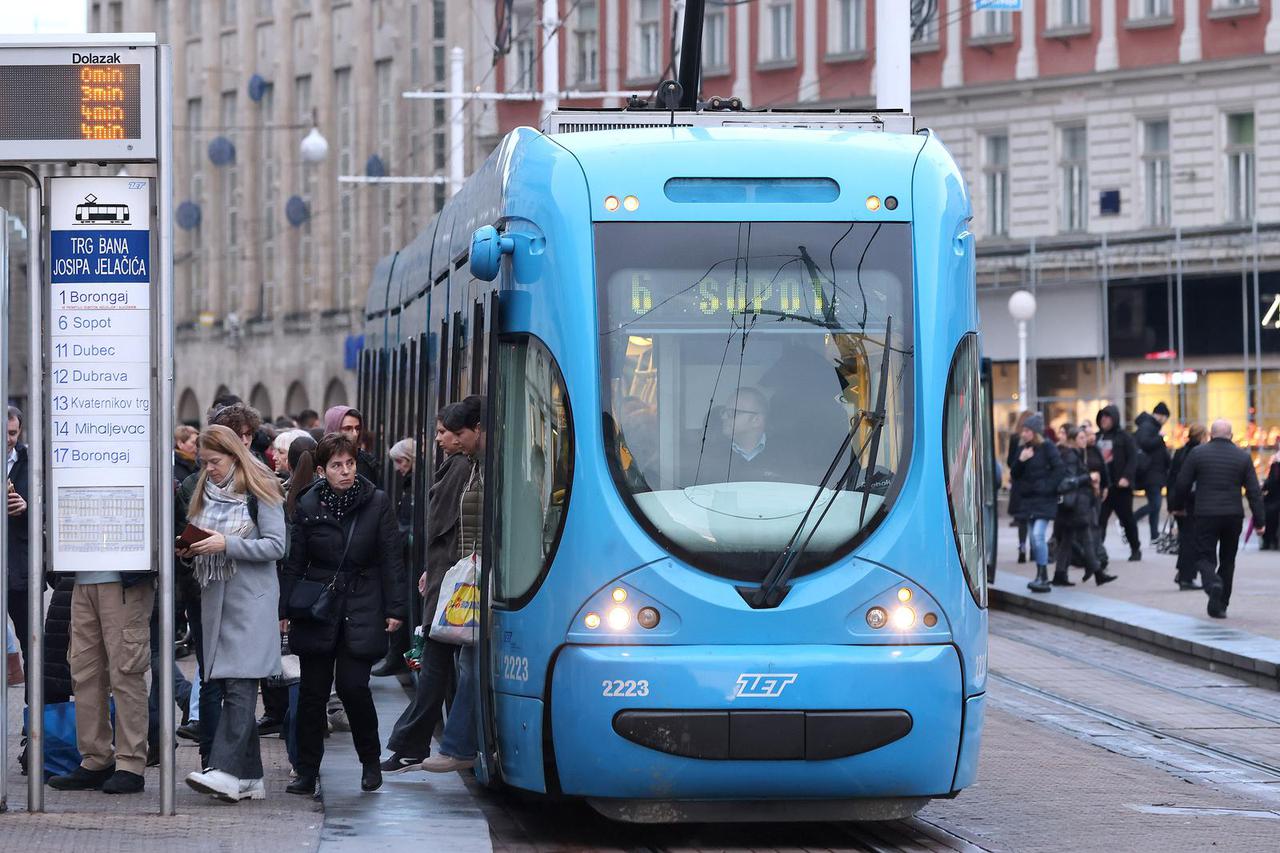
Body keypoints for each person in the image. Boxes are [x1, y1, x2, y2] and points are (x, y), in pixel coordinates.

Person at [283, 433, 406, 797]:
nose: (346, 471)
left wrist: (395, 608)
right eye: (337, 466)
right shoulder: (308, 504)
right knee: (312, 693)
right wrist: (284, 608)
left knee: (354, 688)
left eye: (350, 463)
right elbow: (295, 561)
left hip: (362, 601)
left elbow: (391, 558)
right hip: (319, 607)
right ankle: (306, 770)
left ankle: (370, 761)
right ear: (322, 470)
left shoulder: (377, 502)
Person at [180, 425, 288, 802]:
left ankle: (226, 770)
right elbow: (206, 534)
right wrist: (193, 547)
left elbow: (276, 546)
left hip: (251, 603)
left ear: (233, 456)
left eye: (214, 461)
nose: (208, 469)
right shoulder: (204, 491)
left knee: (241, 687)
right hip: (217, 600)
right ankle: (250, 777)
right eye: (204, 462)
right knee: (230, 684)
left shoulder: (263, 488)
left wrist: (227, 543)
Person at [381, 409, 471, 771]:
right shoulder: (460, 466)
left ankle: (412, 743)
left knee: (435, 667)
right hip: (446, 580)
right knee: (437, 666)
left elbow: (444, 529)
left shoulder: (461, 468)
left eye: (443, 432)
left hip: (452, 584)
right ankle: (414, 742)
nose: (438, 439)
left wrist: (436, 574)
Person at [421, 396, 485, 774]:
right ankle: (458, 745)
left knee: (471, 662)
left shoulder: (485, 465)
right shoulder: (473, 464)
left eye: (458, 433)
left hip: (483, 577)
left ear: (478, 429)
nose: (452, 440)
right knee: (468, 660)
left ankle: (458, 745)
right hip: (470, 576)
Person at [1171, 419, 1264, 619]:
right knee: (1228, 559)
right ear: (1230, 435)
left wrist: (1177, 506)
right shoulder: (1243, 457)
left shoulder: (1198, 454)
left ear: (1211, 435)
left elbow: (1182, 483)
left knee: (1204, 556)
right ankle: (1220, 605)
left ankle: (1213, 583)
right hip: (1233, 515)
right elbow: (1254, 491)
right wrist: (1260, 521)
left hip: (1205, 514)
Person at [373, 438, 417, 679]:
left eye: (401, 462)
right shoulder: (408, 484)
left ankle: (400, 656)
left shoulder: (414, 485)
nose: (399, 468)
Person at [1053, 427, 1117, 587]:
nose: (1085, 440)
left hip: (1073, 504)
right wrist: (1089, 477)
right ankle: (1097, 573)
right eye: (1081, 437)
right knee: (1086, 537)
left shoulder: (1074, 454)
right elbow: (1070, 480)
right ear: (1073, 440)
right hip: (1076, 504)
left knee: (1067, 540)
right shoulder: (1071, 456)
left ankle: (1060, 574)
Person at [1009, 413, 1063, 593]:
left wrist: (1047, 487)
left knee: (1039, 536)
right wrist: (1021, 460)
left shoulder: (1048, 448)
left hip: (1044, 499)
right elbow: (1015, 474)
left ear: (1035, 432)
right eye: (1023, 430)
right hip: (1029, 501)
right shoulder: (1023, 449)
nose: (1023, 434)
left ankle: (1043, 576)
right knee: (1033, 538)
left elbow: (1059, 469)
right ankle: (1041, 575)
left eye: (1026, 430)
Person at [1095, 405, 1142, 561]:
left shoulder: (1124, 437)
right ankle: (1097, 551)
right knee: (1100, 520)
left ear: (1114, 419)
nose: (1104, 420)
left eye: (1107, 417)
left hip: (1121, 487)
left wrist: (1127, 477)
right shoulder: (1097, 438)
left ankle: (1135, 548)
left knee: (1127, 520)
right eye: (1102, 417)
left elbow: (1133, 459)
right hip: (1103, 487)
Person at [6, 407, 30, 672]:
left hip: (20, 568)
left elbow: (47, 506)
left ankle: (32, 706)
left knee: (30, 638)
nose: (8, 439)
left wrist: (27, 508)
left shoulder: (31, 461)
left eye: (12, 433)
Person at [1168, 423, 1206, 589]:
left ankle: (1183, 573)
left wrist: (1172, 504)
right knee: (1191, 541)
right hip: (1190, 502)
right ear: (1202, 436)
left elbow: (1171, 479)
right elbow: (1188, 481)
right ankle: (1186, 577)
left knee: (1186, 540)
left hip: (1179, 501)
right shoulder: (1198, 453)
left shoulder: (1180, 452)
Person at [1132, 402, 1172, 544]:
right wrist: (1160, 437)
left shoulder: (1151, 426)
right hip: (1151, 472)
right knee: (1155, 504)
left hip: (1156, 472)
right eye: (1166, 417)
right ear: (1161, 416)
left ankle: (1154, 535)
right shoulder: (1148, 426)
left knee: (1155, 506)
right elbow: (1145, 443)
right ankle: (1131, 519)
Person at [323, 406, 381, 486]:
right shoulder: (318, 459)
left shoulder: (366, 463)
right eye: (347, 428)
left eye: (357, 428)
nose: (354, 434)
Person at [1006, 410, 1034, 564]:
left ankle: (1022, 547)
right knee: (1030, 517)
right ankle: (1033, 550)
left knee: (1023, 519)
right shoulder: (1024, 441)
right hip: (1029, 483)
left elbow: (1010, 462)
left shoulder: (1014, 438)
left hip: (1018, 483)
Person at [1261, 444, 1280, 551]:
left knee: (1267, 514)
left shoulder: (1276, 465)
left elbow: (1271, 482)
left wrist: (1263, 487)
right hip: (1275, 498)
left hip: (1274, 499)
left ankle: (1268, 541)